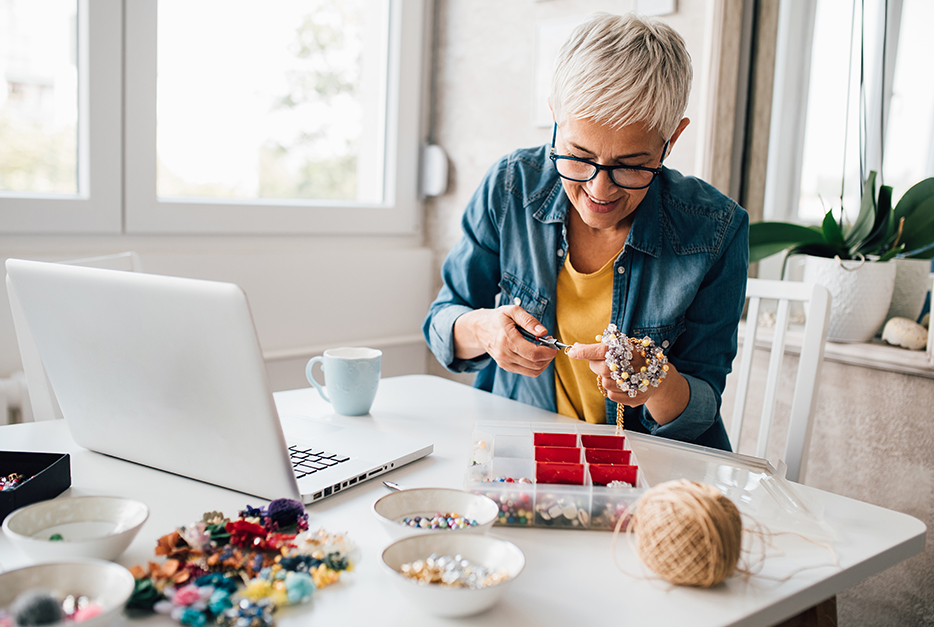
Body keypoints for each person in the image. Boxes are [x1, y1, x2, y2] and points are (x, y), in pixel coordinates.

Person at [422, 12, 748, 450]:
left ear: (671, 140)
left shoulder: (715, 229)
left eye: (631, 166)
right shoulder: (511, 184)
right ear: (554, 116)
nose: (598, 189)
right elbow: (442, 320)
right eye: (577, 155)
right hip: (522, 448)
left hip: (648, 465)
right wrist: (483, 329)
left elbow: (701, 407)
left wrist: (654, 382)